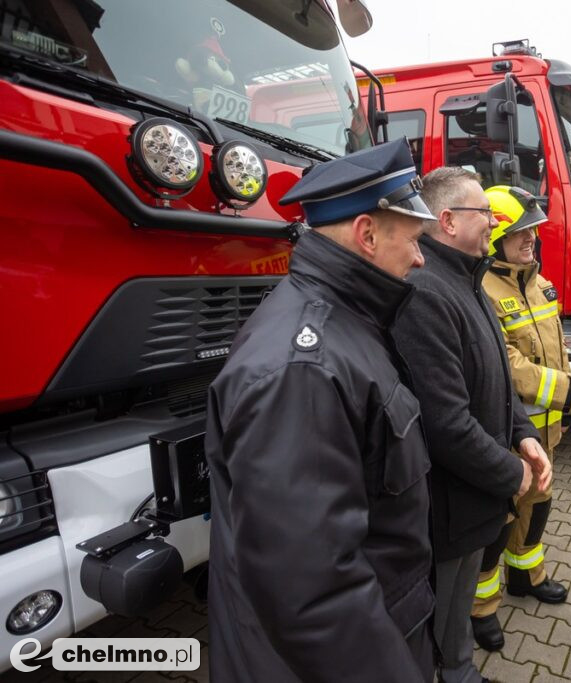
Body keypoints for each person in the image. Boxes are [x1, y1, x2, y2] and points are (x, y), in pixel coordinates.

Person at [204, 140, 437, 682]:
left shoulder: (344, 322)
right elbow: (312, 592)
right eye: (415, 240)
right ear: (367, 234)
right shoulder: (303, 367)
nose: (422, 257)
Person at [393, 167, 552, 683]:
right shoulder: (426, 292)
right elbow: (444, 422)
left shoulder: (469, 281)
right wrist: (513, 476)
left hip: (476, 498)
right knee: (440, 620)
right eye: (483, 212)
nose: (493, 223)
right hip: (449, 504)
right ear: (447, 220)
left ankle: (460, 671)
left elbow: (498, 382)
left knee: (460, 610)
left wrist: (524, 435)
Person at [470, 185, 571, 651]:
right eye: (521, 232)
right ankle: (480, 609)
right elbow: (511, 368)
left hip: (546, 428)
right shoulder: (483, 290)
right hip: (508, 430)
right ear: (495, 238)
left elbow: (559, 352)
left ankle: (527, 578)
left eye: (533, 230)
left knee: (539, 506)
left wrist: (566, 411)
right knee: (502, 517)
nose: (531, 238)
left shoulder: (539, 281)